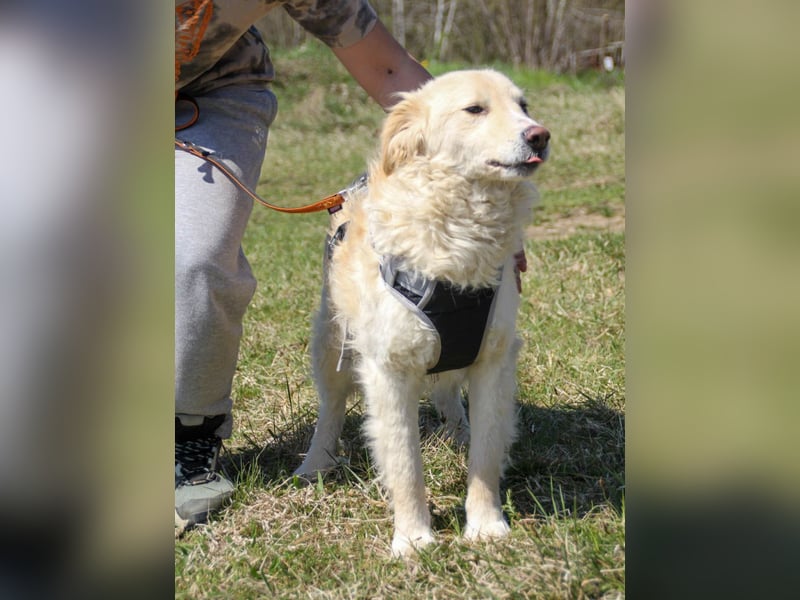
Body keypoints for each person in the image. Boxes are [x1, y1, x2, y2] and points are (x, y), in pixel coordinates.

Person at [174, 0, 433, 529]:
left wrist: (480, 163)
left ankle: (188, 437)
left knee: (196, 260)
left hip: (213, 94)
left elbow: (390, 70)